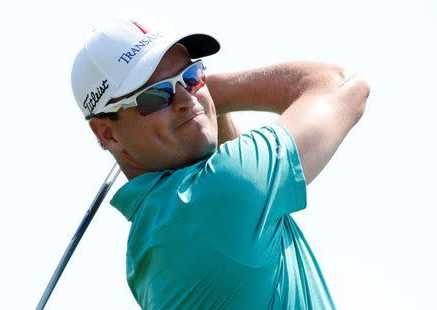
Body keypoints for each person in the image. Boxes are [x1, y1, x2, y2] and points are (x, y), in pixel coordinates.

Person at [71, 17, 369, 309]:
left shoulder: (145, 246)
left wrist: (196, 102)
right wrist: (208, 95)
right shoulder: (215, 195)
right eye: (155, 96)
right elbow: (343, 85)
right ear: (109, 133)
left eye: (191, 76)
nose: (185, 98)